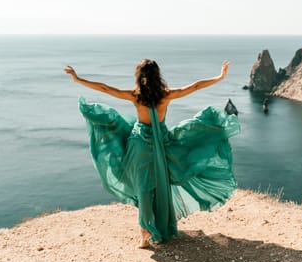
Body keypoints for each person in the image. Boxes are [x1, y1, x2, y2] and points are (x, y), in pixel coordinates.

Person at [64, 60, 240, 248]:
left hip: (139, 146)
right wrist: (220, 76)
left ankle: (145, 233)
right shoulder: (166, 95)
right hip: (161, 145)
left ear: (140, 77)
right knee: (160, 184)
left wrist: (78, 79)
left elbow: (105, 88)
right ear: (158, 76)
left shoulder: (136, 96)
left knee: (143, 187)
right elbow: (195, 86)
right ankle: (160, 226)